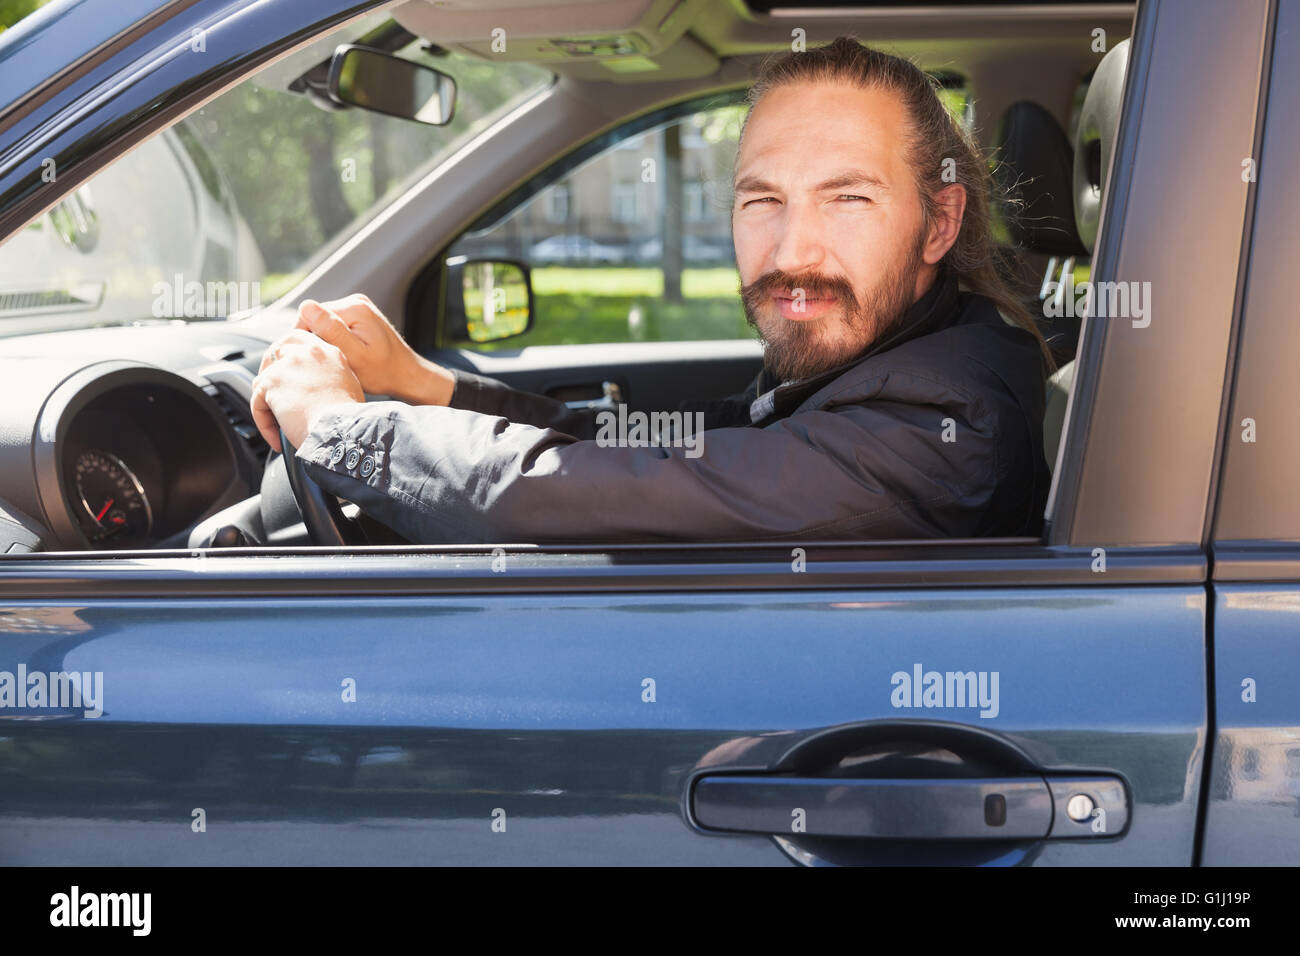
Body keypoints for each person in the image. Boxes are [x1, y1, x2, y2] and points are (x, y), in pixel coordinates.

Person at [251, 37, 1052, 544]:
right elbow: (673, 448)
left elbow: (574, 496)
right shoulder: (890, 352)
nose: (792, 249)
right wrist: (431, 387)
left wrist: (337, 428)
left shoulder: (946, 418)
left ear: (939, 224)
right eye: (761, 200)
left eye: (849, 198)